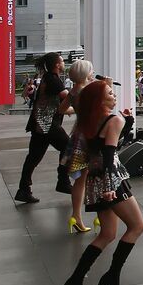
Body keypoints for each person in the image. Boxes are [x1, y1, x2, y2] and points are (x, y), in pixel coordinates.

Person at [59, 80, 143, 285]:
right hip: (112, 181)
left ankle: (75, 280)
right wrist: (109, 188)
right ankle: (112, 277)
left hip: (94, 181)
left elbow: (106, 146)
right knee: (137, 227)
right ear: (100, 100)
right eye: (109, 93)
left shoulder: (89, 121)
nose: (114, 95)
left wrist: (127, 122)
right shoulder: (113, 120)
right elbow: (109, 156)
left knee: (107, 234)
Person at [15, 53, 73, 204]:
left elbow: (60, 105)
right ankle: (63, 181)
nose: (64, 63)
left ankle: (23, 190)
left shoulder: (49, 78)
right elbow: (68, 97)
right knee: (68, 147)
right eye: (62, 61)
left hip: (39, 123)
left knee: (33, 158)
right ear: (57, 64)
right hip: (47, 123)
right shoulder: (53, 79)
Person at [59, 60, 98, 233]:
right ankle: (100, 216)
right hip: (89, 136)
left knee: (80, 180)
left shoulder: (73, 91)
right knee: (95, 176)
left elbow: (61, 109)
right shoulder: (88, 90)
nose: (93, 73)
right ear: (85, 73)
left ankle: (76, 216)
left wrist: (76, 110)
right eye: (91, 70)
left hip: (77, 135)